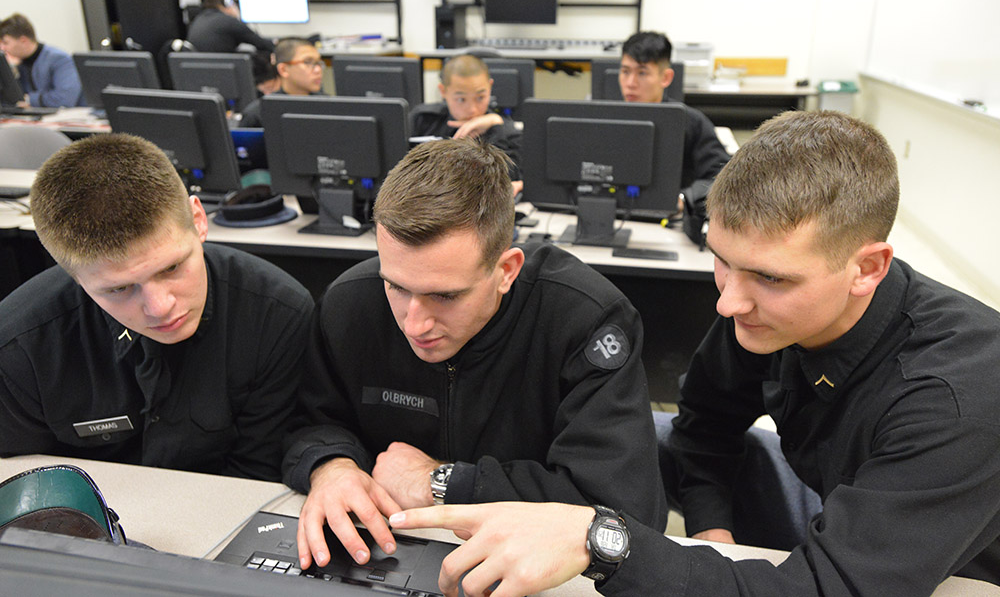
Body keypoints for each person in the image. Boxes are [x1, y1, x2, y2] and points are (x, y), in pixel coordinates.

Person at [389, 110, 1000, 596]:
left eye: (770, 278)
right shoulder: (765, 315)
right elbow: (704, 428)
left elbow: (833, 587)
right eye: (721, 261)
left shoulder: (954, 395)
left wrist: (604, 539)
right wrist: (713, 530)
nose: (731, 302)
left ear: (866, 268)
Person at [282, 137, 667, 570]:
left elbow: (623, 514)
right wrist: (331, 466)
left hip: (536, 570)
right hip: (388, 553)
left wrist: (443, 482)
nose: (414, 323)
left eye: (445, 296)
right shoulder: (349, 304)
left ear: (506, 271)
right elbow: (311, 421)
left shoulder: (585, 320)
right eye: (396, 286)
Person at [0, 133, 314, 482]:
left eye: (172, 268)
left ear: (198, 220)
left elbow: (257, 475)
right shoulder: (19, 346)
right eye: (119, 288)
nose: (160, 308)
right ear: (74, 276)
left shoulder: (276, 313)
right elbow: (26, 488)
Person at [618, 31, 730, 210]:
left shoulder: (691, 122)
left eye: (642, 73)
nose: (630, 82)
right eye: (625, 72)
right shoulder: (606, 119)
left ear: (666, 78)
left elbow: (722, 177)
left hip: (672, 220)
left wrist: (684, 198)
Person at [408, 54, 523, 193]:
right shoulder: (423, 119)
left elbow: (507, 181)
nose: (472, 109)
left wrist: (495, 126)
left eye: (480, 97)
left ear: (490, 87)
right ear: (443, 91)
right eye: (461, 99)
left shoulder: (505, 129)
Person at [0, 13, 85, 108]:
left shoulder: (60, 59)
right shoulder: (19, 63)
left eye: (5, 43)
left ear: (23, 41)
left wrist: (28, 100)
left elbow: (64, 99)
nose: (2, 48)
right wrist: (11, 71)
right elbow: (10, 99)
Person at [239, 37, 325, 127]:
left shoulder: (328, 108)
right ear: (283, 69)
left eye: (319, 63)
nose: (318, 70)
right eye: (308, 62)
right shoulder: (258, 114)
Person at [186, 0, 275, 54]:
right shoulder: (229, 22)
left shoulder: (198, 19)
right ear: (227, 2)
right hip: (224, 71)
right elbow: (265, 45)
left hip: (203, 72)